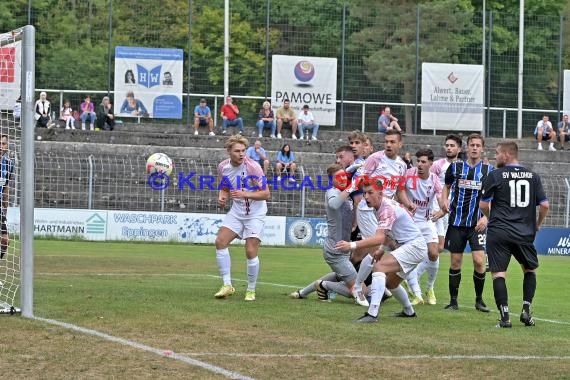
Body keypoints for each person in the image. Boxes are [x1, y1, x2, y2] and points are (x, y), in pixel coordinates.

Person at [335, 179, 427, 323]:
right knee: (391, 284)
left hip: (414, 246)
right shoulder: (380, 207)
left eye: (370, 192)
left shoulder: (386, 208)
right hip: (412, 246)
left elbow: (378, 237)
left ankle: (372, 314)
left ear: (380, 194)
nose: (366, 196)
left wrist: (351, 245)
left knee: (379, 268)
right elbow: (388, 233)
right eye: (364, 193)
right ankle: (409, 311)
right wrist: (382, 249)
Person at [479, 141, 549, 328]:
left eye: (497, 153)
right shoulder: (533, 177)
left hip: (499, 232)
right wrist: (537, 224)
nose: (495, 156)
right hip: (524, 232)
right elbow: (544, 205)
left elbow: (484, 205)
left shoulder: (494, 175)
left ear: (507, 155)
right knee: (529, 270)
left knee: (498, 274)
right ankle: (526, 310)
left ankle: (505, 317)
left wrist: (491, 218)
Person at [213, 135, 270, 301]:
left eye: (243, 151)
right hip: (237, 212)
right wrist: (222, 197)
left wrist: (244, 193)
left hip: (255, 214)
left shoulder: (253, 167)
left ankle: (251, 290)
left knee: (250, 250)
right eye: (237, 151)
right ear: (229, 152)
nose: (241, 154)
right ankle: (227, 285)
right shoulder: (223, 167)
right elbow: (225, 186)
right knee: (220, 242)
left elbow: (266, 193)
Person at [441, 133, 493, 312]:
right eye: (472, 145)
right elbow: (446, 186)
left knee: (479, 261)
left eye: (478, 145)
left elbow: (495, 197)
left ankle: (479, 300)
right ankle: (453, 301)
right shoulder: (455, 167)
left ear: (482, 148)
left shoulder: (489, 171)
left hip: (477, 223)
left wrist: (487, 217)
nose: (475, 148)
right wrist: (444, 200)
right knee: (455, 261)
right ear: (466, 147)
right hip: (456, 222)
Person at [401, 149, 444, 306]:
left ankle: (429, 288)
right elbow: (399, 192)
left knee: (434, 253)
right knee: (411, 257)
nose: (419, 164)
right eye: (418, 161)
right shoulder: (408, 173)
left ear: (431, 164)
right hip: (409, 222)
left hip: (426, 222)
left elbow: (441, 201)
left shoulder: (435, 180)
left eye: (423, 162)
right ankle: (417, 294)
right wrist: (407, 203)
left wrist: (441, 211)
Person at [430, 134, 462, 253]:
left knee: (440, 248)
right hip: (436, 208)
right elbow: (429, 185)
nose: (448, 148)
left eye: (452, 146)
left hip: (450, 211)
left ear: (459, 149)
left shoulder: (462, 166)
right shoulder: (437, 165)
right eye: (447, 145)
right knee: (436, 247)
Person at [0, 135, 14, 260]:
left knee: (5, 240)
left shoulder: (9, 164)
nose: (1, 146)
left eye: (3, 143)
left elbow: (6, 186)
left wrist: (5, 205)